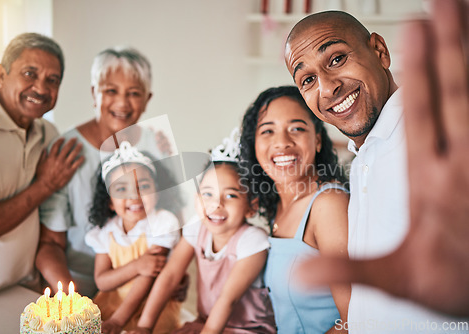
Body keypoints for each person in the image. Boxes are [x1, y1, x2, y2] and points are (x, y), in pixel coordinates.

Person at [284, 0, 469, 331]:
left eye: (337, 59)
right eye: (308, 80)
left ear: (380, 51)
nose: (327, 87)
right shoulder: (362, 160)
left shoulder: (442, 138)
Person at [36, 46, 169, 297]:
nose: (122, 102)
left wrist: (172, 275)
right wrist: (71, 299)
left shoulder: (158, 145)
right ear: (94, 93)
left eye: (133, 93)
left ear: (147, 99)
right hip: (79, 282)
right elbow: (49, 244)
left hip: (143, 286)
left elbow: (170, 225)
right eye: (110, 91)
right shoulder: (66, 150)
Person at [0, 32, 83, 302]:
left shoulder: (49, 133)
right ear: (1, 74)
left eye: (52, 80)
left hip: (28, 292)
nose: (41, 89)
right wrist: (45, 185)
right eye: (29, 73)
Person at [133, 129, 276, 334]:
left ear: (251, 206)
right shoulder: (197, 226)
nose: (216, 204)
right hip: (206, 323)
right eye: (208, 194)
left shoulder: (253, 240)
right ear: (197, 199)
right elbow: (171, 275)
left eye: (231, 196)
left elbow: (228, 299)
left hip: (247, 329)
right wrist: (144, 326)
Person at [239, 86, 350, 333]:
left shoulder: (328, 205)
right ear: (254, 144)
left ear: (318, 139)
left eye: (297, 128)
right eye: (268, 131)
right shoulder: (277, 206)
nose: (282, 143)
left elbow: (354, 319)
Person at [85, 142, 182, 334]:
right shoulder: (105, 231)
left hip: (151, 308)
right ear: (109, 202)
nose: (134, 196)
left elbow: (149, 274)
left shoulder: (162, 223)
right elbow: (102, 281)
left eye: (143, 186)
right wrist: (136, 265)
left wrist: (118, 321)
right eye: (121, 189)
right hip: (113, 304)